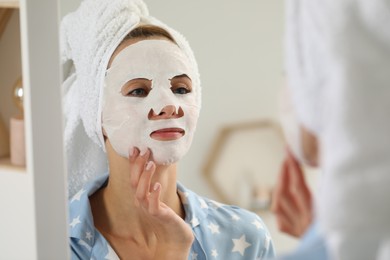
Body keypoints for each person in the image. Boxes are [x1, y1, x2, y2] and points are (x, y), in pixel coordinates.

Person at [61, 0, 275, 259]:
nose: (170, 106)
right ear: (96, 113)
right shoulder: (54, 243)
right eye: (138, 90)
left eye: (181, 89)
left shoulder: (245, 238)